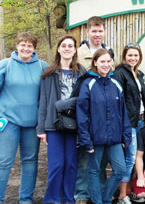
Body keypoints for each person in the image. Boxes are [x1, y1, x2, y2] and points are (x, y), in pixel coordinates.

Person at [77, 48, 132, 204]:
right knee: (94, 171)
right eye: (102, 61)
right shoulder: (88, 83)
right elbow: (82, 115)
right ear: (95, 63)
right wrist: (86, 140)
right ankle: (97, 201)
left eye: (108, 61)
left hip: (114, 139)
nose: (106, 65)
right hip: (95, 139)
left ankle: (106, 198)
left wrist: (125, 136)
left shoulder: (116, 83)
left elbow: (123, 113)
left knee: (120, 170)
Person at [36, 35, 86, 204]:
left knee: (71, 165)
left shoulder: (82, 73)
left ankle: (68, 199)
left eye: (70, 46)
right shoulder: (49, 73)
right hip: (54, 125)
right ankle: (52, 200)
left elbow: (85, 99)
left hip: (74, 126)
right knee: (56, 166)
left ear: (75, 49)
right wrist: (41, 129)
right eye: (63, 45)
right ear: (58, 49)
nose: (66, 48)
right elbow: (43, 102)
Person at [0, 32, 47, 204]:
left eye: (30, 45)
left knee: (30, 161)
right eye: (23, 44)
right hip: (8, 121)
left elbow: (47, 95)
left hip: (31, 123)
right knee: (4, 162)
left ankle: (26, 199)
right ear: (17, 46)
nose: (26, 48)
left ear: (34, 48)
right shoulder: (6, 65)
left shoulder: (42, 66)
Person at [75, 16, 115, 204]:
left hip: (105, 116)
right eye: (94, 31)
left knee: (102, 160)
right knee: (85, 157)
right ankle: (82, 194)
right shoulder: (78, 53)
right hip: (87, 112)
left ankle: (97, 192)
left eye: (100, 31)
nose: (97, 34)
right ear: (87, 31)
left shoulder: (108, 52)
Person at [113, 43, 145, 204]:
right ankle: (122, 195)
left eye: (136, 55)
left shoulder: (138, 74)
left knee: (136, 156)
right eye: (130, 55)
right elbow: (118, 101)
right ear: (124, 56)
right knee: (130, 157)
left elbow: (141, 98)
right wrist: (123, 124)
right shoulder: (119, 74)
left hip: (140, 120)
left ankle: (129, 190)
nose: (133, 58)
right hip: (128, 121)